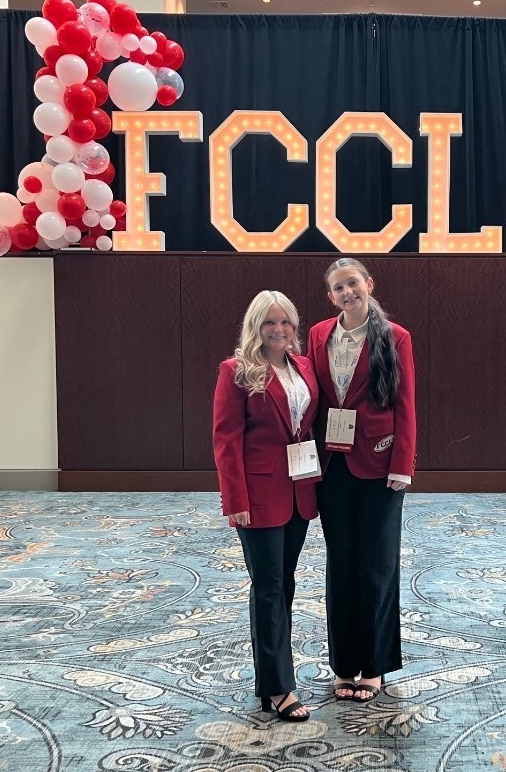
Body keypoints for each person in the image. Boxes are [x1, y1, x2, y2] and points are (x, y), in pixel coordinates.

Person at [307, 257, 416, 703]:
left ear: (369, 284)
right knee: (341, 564)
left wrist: (402, 464)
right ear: (330, 296)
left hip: (379, 463)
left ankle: (373, 666)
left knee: (377, 564)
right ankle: (343, 664)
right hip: (332, 465)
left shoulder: (395, 336)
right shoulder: (318, 334)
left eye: (353, 283)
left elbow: (406, 403)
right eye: (338, 287)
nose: (347, 292)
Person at [213, 290, 320, 722]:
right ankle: (278, 686)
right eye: (270, 322)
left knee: (284, 584)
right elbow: (226, 439)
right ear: (255, 326)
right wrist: (234, 499)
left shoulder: (304, 367)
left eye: (286, 322)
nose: (279, 330)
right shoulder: (237, 371)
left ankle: (273, 675)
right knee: (269, 586)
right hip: (257, 497)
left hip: (298, 491)